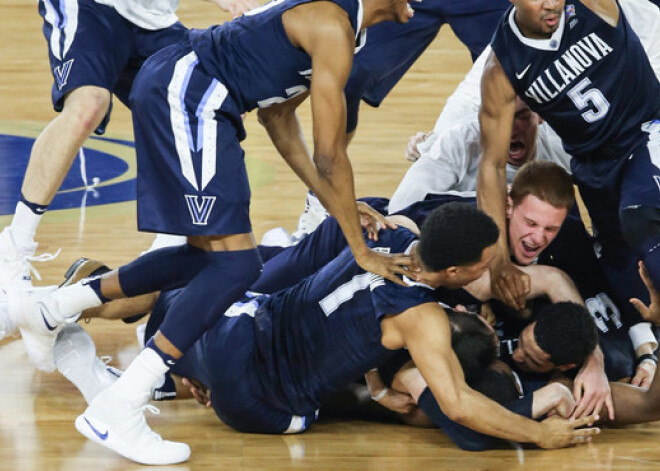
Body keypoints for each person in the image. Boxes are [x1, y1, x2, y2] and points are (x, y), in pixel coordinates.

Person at [4, 0, 423, 464]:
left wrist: (333, 203)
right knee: (237, 265)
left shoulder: (346, 29)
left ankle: (51, 307)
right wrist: (359, 248)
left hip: (198, 98)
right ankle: (119, 406)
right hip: (190, 95)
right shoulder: (333, 26)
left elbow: (278, 120)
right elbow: (330, 154)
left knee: (212, 258)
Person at [51, 204, 598, 459]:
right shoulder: (423, 317)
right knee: (346, 394)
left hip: (230, 335)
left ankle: (84, 316)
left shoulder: (377, 235)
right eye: (484, 263)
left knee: (207, 287)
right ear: (454, 273)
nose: (491, 267)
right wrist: (537, 435)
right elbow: (456, 403)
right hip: (263, 408)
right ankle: (141, 378)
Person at [0, 0, 258, 290]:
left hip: (152, 15)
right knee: (89, 104)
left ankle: (168, 253)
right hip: (91, 6)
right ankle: (14, 247)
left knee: (209, 96)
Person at [477, 0, 660, 323]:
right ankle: (648, 352)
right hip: (593, 166)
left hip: (647, 132)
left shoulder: (591, 5)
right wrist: (499, 259)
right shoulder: (501, 69)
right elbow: (491, 166)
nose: (551, 4)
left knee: (640, 216)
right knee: (622, 271)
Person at [390, 97, 570, 213]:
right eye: (498, 117)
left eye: (520, 116)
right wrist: (493, 200)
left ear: (540, 116)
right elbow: (401, 208)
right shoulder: (458, 140)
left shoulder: (562, 143)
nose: (508, 129)